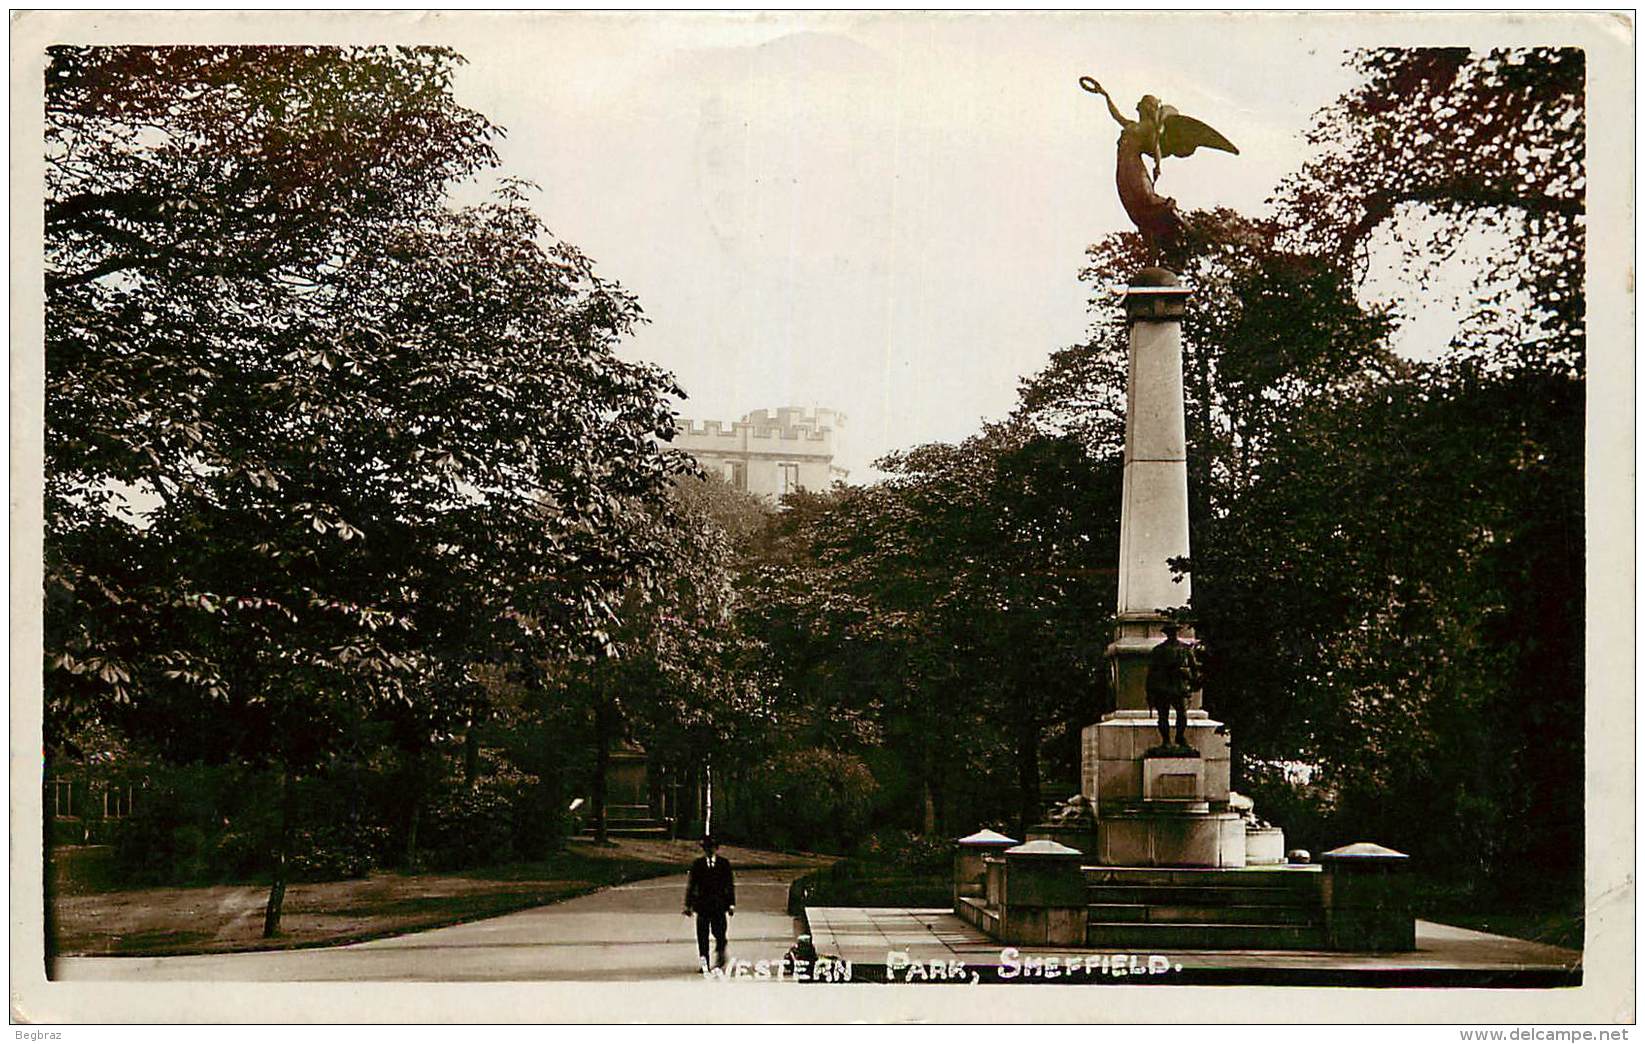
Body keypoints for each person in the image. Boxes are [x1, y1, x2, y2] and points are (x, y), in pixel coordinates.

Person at [1146, 621, 1201, 748]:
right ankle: (1166, 741)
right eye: (1170, 632)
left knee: (1182, 714)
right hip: (1163, 687)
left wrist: (1192, 680)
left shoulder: (1185, 649)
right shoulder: (1158, 650)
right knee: (1163, 715)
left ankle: (1180, 737)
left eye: (1174, 632)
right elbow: (1152, 672)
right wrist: (1150, 692)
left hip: (1179, 686)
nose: (1172, 634)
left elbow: (1194, 668)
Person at [683, 834, 736, 969]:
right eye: (707, 847)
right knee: (702, 936)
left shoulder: (724, 864)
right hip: (702, 905)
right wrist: (688, 905)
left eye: (712, 847)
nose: (709, 850)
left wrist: (731, 904)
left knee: (720, 933)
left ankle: (721, 953)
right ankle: (704, 963)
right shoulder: (698, 864)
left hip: (719, 905)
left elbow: (729, 885)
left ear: (716, 848)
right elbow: (692, 885)